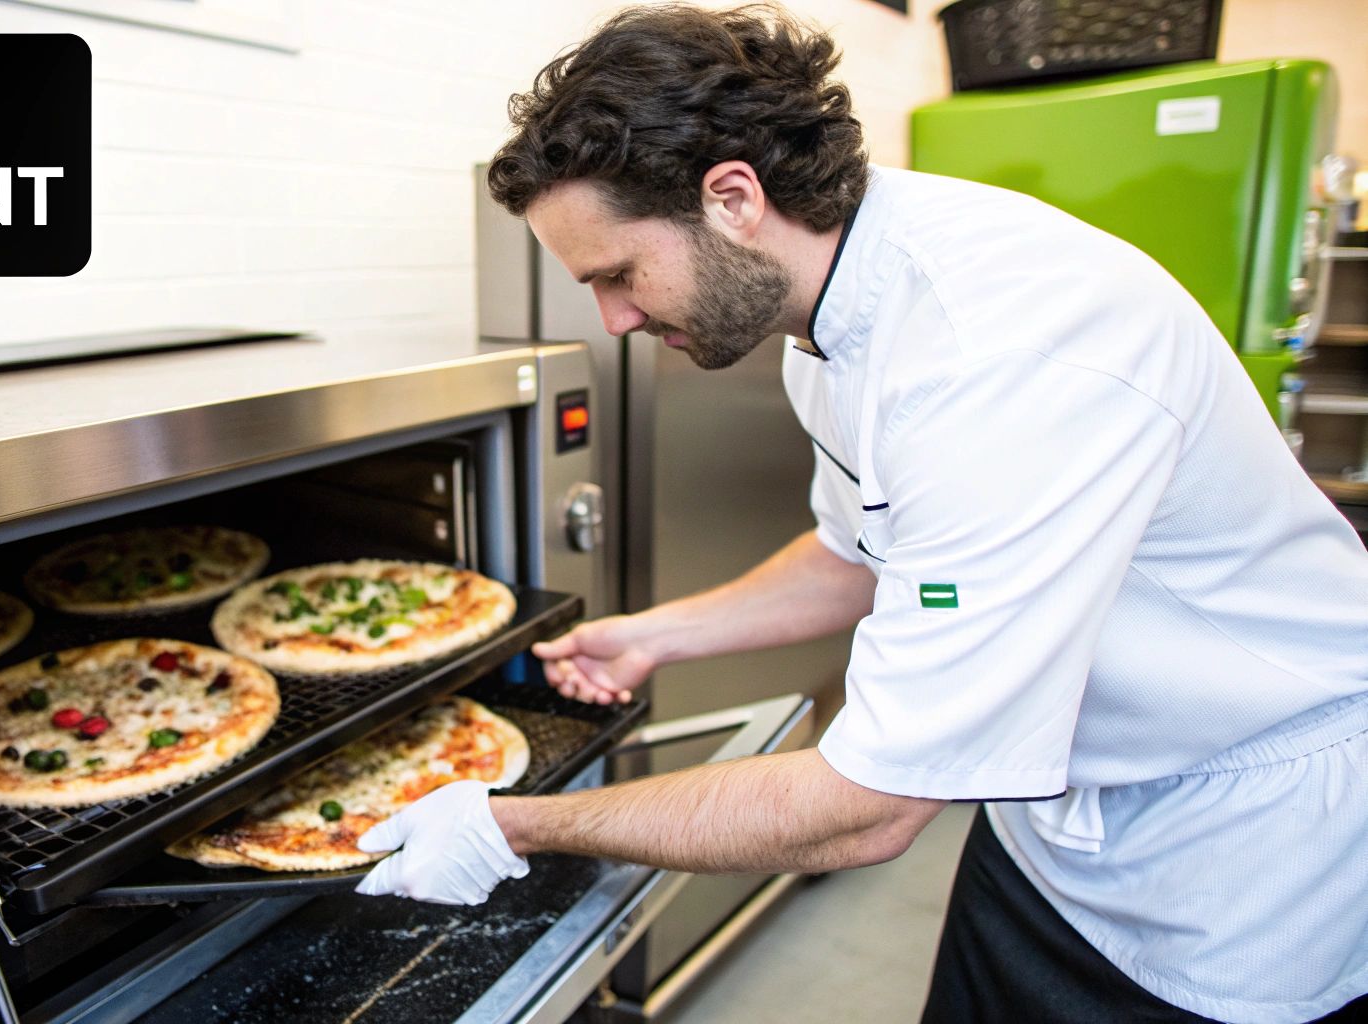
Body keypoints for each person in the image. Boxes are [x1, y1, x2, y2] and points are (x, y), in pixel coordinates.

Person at [350, 4, 1368, 1021]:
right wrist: (654, 637)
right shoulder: (827, 312)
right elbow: (859, 554)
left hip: (1230, 852)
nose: (613, 320)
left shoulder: (997, 356)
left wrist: (516, 826)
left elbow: (866, 808)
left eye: (618, 275)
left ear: (733, 197)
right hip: (1055, 823)